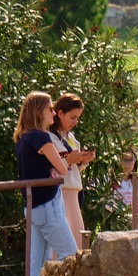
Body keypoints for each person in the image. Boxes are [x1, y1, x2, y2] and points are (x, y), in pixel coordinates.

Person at [17, 91, 77, 276]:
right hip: (47, 205)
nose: (53, 112)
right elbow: (62, 168)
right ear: (38, 112)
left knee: (37, 263)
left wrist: (51, 166)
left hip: (33, 206)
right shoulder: (41, 137)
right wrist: (58, 164)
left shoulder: (23, 138)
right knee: (70, 255)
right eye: (50, 108)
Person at [51, 94, 96, 243]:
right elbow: (52, 167)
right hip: (59, 192)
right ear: (60, 113)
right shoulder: (49, 138)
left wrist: (83, 161)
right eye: (72, 117)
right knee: (62, 241)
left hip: (74, 192)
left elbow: (73, 170)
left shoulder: (71, 138)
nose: (75, 122)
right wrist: (69, 160)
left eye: (77, 118)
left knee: (77, 239)